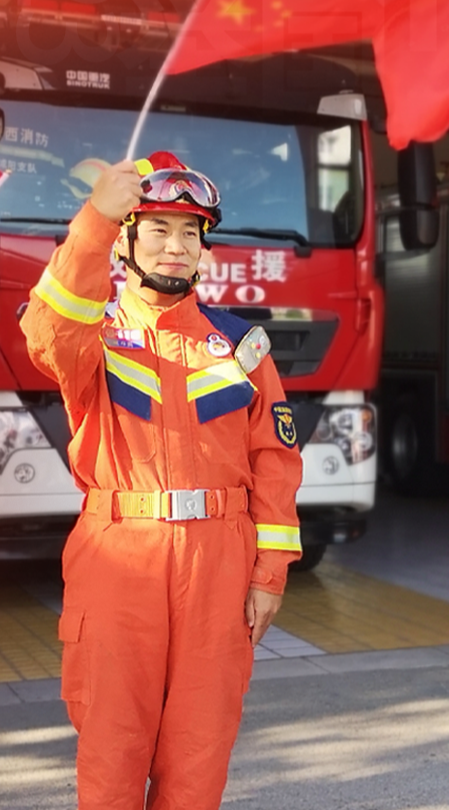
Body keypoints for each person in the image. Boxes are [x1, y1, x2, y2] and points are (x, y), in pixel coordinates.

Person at [20, 152, 303, 809]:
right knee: (112, 754)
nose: (177, 247)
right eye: (157, 230)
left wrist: (268, 574)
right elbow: (48, 331)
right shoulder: (93, 336)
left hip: (220, 567)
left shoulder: (240, 346)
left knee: (199, 760)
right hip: (119, 559)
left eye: (191, 233)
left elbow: (276, 461)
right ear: (126, 239)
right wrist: (94, 219)